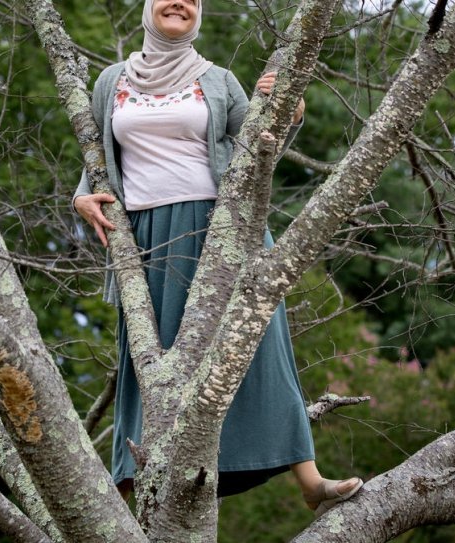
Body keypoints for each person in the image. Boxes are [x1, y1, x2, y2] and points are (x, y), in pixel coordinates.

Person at [73, 0, 362, 516]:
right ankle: (118, 499)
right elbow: (96, 156)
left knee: (259, 345)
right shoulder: (111, 81)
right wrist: (80, 197)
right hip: (146, 237)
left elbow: (260, 143)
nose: (179, 2)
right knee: (150, 363)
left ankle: (310, 479)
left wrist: (288, 108)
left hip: (223, 228)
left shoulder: (219, 79)